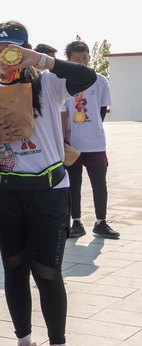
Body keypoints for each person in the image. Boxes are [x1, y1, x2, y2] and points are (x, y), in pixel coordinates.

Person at [0, 22, 96, 346]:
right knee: (14, 268)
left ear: (24, 50)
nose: (3, 57)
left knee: (48, 272)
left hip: (49, 192)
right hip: (5, 192)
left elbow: (88, 76)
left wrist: (42, 60)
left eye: (10, 50)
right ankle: (24, 343)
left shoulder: (48, 83)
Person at [62, 40, 118, 239]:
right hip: (72, 143)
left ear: (89, 57)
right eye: (77, 59)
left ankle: (101, 222)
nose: (82, 62)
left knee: (99, 184)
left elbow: (102, 109)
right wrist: (64, 138)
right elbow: (62, 114)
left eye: (85, 58)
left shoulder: (100, 80)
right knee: (73, 185)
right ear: (68, 60)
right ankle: (76, 221)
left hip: (95, 142)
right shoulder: (63, 82)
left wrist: (92, 128)